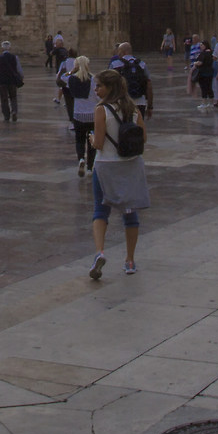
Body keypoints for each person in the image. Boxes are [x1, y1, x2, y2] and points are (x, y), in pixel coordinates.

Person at [88, 68, 148, 279]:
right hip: (131, 165)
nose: (96, 90)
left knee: (100, 210)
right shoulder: (133, 109)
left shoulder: (101, 110)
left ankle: (100, 252)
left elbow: (99, 143)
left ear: (109, 88)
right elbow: (144, 138)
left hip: (106, 165)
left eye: (99, 86)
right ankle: (130, 260)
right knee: (130, 214)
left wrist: (91, 139)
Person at [62, 55, 97, 174]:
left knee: (79, 140)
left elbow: (61, 77)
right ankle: (90, 167)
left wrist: (71, 71)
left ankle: (81, 158)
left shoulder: (71, 79)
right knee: (91, 141)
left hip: (78, 114)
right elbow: (98, 96)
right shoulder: (93, 79)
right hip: (92, 115)